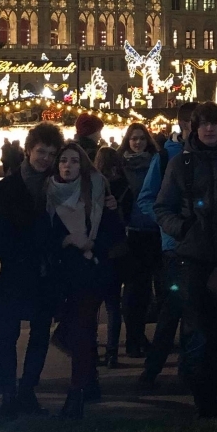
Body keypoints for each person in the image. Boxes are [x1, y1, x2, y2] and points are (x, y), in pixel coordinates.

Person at [154, 102, 217, 418]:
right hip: (192, 259)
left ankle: (210, 393)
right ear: (194, 127)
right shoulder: (181, 163)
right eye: (204, 124)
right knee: (197, 330)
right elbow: (162, 207)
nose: (209, 129)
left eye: (215, 124)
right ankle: (201, 397)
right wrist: (183, 228)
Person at [46, 143, 125, 418]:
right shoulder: (48, 193)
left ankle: (76, 392)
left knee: (80, 329)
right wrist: (66, 240)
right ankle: (90, 382)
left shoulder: (98, 189)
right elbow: (42, 234)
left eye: (75, 161)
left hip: (92, 271)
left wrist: (90, 244)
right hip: (62, 274)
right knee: (81, 331)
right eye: (63, 160)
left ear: (84, 165)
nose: (68, 166)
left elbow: (114, 233)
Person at [0, 122, 64, 419]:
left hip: (46, 271)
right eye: (41, 152)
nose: (45, 158)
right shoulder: (9, 187)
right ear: (28, 150)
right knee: (6, 334)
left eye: (51, 153)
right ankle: (8, 394)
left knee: (39, 334)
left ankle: (27, 390)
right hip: (17, 268)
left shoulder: (59, 184)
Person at [137, 102, 197, 388]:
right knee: (172, 308)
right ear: (183, 124)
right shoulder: (165, 156)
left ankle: (190, 369)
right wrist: (170, 226)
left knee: (197, 311)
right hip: (175, 246)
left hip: (205, 246)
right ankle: (153, 369)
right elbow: (147, 199)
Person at [118, 123, 160, 358]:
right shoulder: (121, 164)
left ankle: (151, 336)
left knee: (157, 289)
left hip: (154, 230)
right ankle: (133, 336)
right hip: (131, 232)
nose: (137, 143)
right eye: (133, 139)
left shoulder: (156, 162)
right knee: (135, 289)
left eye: (141, 139)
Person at [94, 145, 131, 367]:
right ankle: (112, 351)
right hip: (117, 250)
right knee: (113, 305)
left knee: (94, 304)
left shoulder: (95, 186)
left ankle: (93, 345)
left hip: (98, 250)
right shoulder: (125, 184)